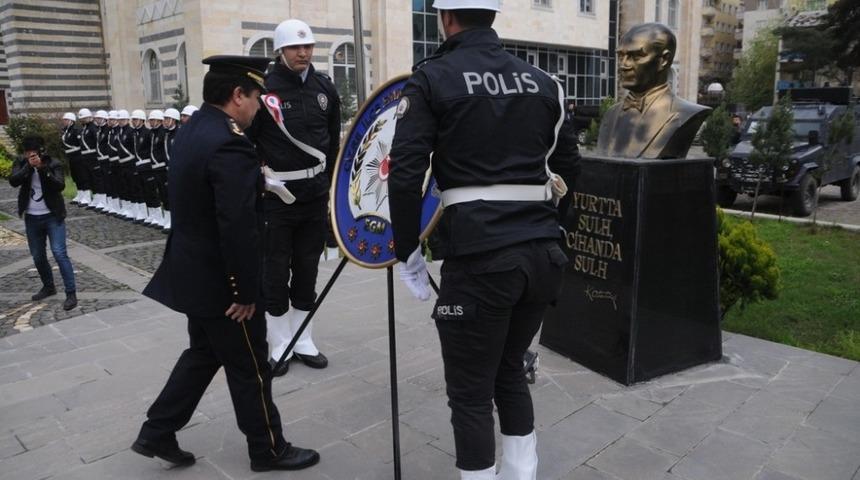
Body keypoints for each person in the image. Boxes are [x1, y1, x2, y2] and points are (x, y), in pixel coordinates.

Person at [388, 1, 580, 479]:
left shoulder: (432, 78)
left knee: (471, 391)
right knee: (509, 369)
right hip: (542, 254)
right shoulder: (543, 82)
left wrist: (408, 250)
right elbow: (570, 165)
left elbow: (406, 172)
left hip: (481, 261)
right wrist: (553, 226)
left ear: (446, 18)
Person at [132, 55, 320, 473]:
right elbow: (236, 226)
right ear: (238, 95)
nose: (258, 107)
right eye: (256, 98)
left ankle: (157, 431)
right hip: (223, 283)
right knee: (251, 366)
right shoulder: (230, 142)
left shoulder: (195, 128)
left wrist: (254, 180)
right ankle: (268, 449)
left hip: (194, 271)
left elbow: (205, 194)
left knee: (203, 354)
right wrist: (245, 291)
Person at [247, 19, 341, 376]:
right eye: (295, 47)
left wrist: (329, 187)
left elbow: (332, 141)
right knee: (274, 272)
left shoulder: (324, 87)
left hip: (314, 196)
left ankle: (303, 340)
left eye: (308, 46)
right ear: (280, 51)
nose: (303, 53)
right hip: (277, 198)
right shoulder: (264, 89)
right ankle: (280, 343)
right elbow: (247, 142)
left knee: (307, 268)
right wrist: (259, 177)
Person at [596, 23, 709, 159]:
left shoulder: (686, 114)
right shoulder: (610, 114)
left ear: (664, 60)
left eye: (636, 56)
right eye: (621, 56)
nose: (623, 65)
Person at [8, 136, 78, 311]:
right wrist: (28, 167)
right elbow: (13, 181)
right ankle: (48, 286)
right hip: (32, 217)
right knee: (38, 255)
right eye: (27, 153)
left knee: (59, 253)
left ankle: (71, 293)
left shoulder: (53, 163)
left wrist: (42, 168)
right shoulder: (21, 162)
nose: (30, 156)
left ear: (41, 152)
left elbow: (60, 185)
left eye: (33, 153)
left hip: (52, 216)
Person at [76, 108, 99, 210]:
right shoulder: (83, 129)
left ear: (90, 117)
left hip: (93, 156)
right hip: (85, 157)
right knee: (88, 178)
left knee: (95, 179)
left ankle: (98, 199)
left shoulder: (93, 128)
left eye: (84, 118)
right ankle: (92, 198)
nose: (83, 120)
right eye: (82, 119)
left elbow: (97, 143)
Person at [60, 112, 83, 205]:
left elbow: (81, 143)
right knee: (75, 176)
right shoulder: (66, 131)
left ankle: (85, 196)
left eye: (66, 120)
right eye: (64, 120)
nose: (64, 121)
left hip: (78, 156)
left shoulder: (76, 130)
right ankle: (79, 194)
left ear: (71, 121)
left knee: (81, 176)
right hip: (71, 156)